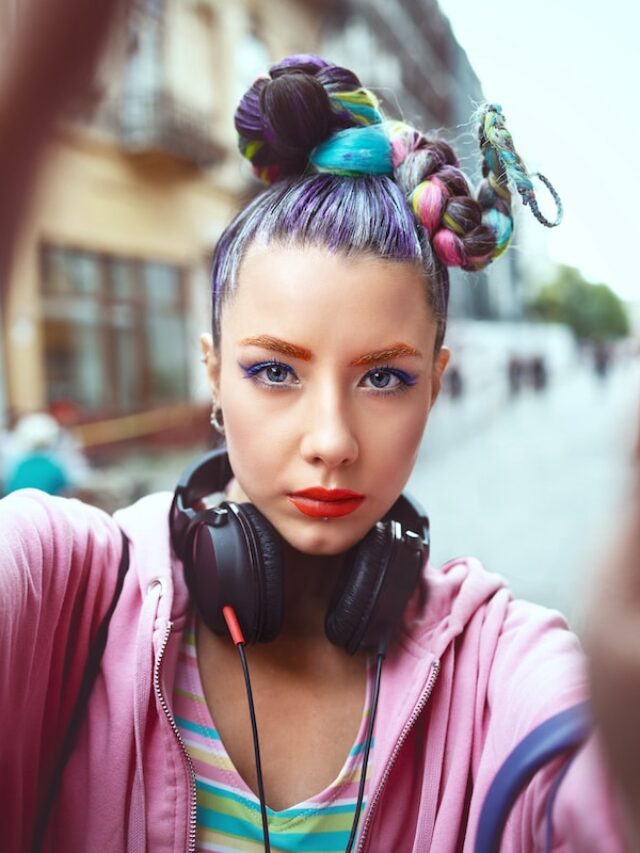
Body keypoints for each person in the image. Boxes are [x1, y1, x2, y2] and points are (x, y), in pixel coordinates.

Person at [1, 54, 637, 853]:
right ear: (213, 375)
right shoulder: (67, 588)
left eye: (383, 376)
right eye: (274, 371)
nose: (332, 441)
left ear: (436, 385)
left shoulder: (498, 665)